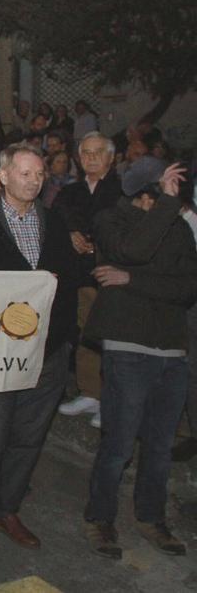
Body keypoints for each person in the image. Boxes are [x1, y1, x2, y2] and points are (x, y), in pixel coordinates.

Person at [0, 145, 78, 567]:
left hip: (50, 350)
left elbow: (72, 279)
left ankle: (5, 509)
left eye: (39, 174)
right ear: (3, 177)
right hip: (0, 353)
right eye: (24, 173)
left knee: (29, 437)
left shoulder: (53, 222)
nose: (34, 180)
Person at [81, 158, 196, 558]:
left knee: (160, 446)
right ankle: (101, 518)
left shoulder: (179, 229)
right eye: (161, 194)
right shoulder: (111, 221)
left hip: (171, 350)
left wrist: (132, 280)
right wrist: (164, 210)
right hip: (128, 348)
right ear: (145, 195)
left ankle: (151, 517)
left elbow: (187, 288)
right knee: (119, 443)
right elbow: (135, 249)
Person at [53, 133, 121, 424]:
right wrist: (69, 235)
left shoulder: (123, 191)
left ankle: (113, 399)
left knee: (113, 337)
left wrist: (101, 244)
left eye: (98, 152)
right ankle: (90, 392)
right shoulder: (70, 192)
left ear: (111, 157)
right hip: (80, 274)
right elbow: (55, 220)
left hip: (114, 277)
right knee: (84, 332)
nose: (91, 158)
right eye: (86, 153)